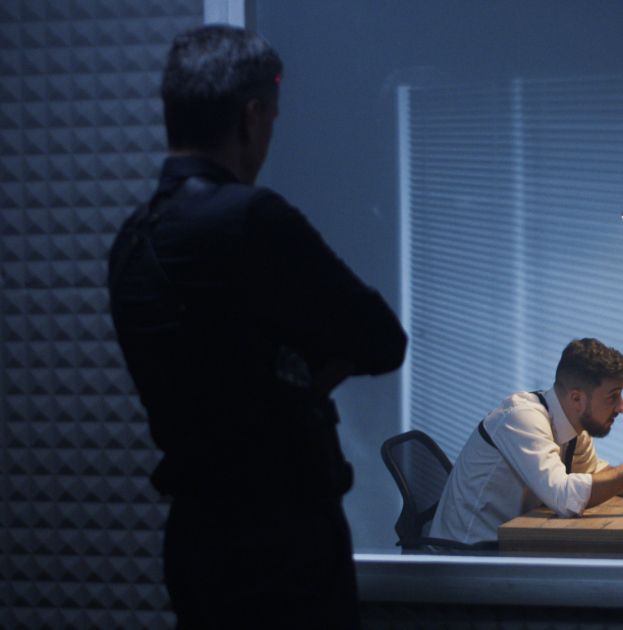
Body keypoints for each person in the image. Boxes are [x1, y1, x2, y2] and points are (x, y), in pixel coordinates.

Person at [107, 25, 406, 630]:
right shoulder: (251, 221)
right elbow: (381, 338)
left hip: (195, 542)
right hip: (283, 545)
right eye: (271, 118)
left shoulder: (130, 243)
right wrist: (304, 370)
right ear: (250, 117)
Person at [429, 338, 623, 546]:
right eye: (613, 396)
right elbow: (565, 498)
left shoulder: (575, 427)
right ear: (576, 399)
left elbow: (595, 473)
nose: (622, 407)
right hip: (467, 557)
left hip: (512, 548)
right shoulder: (521, 417)